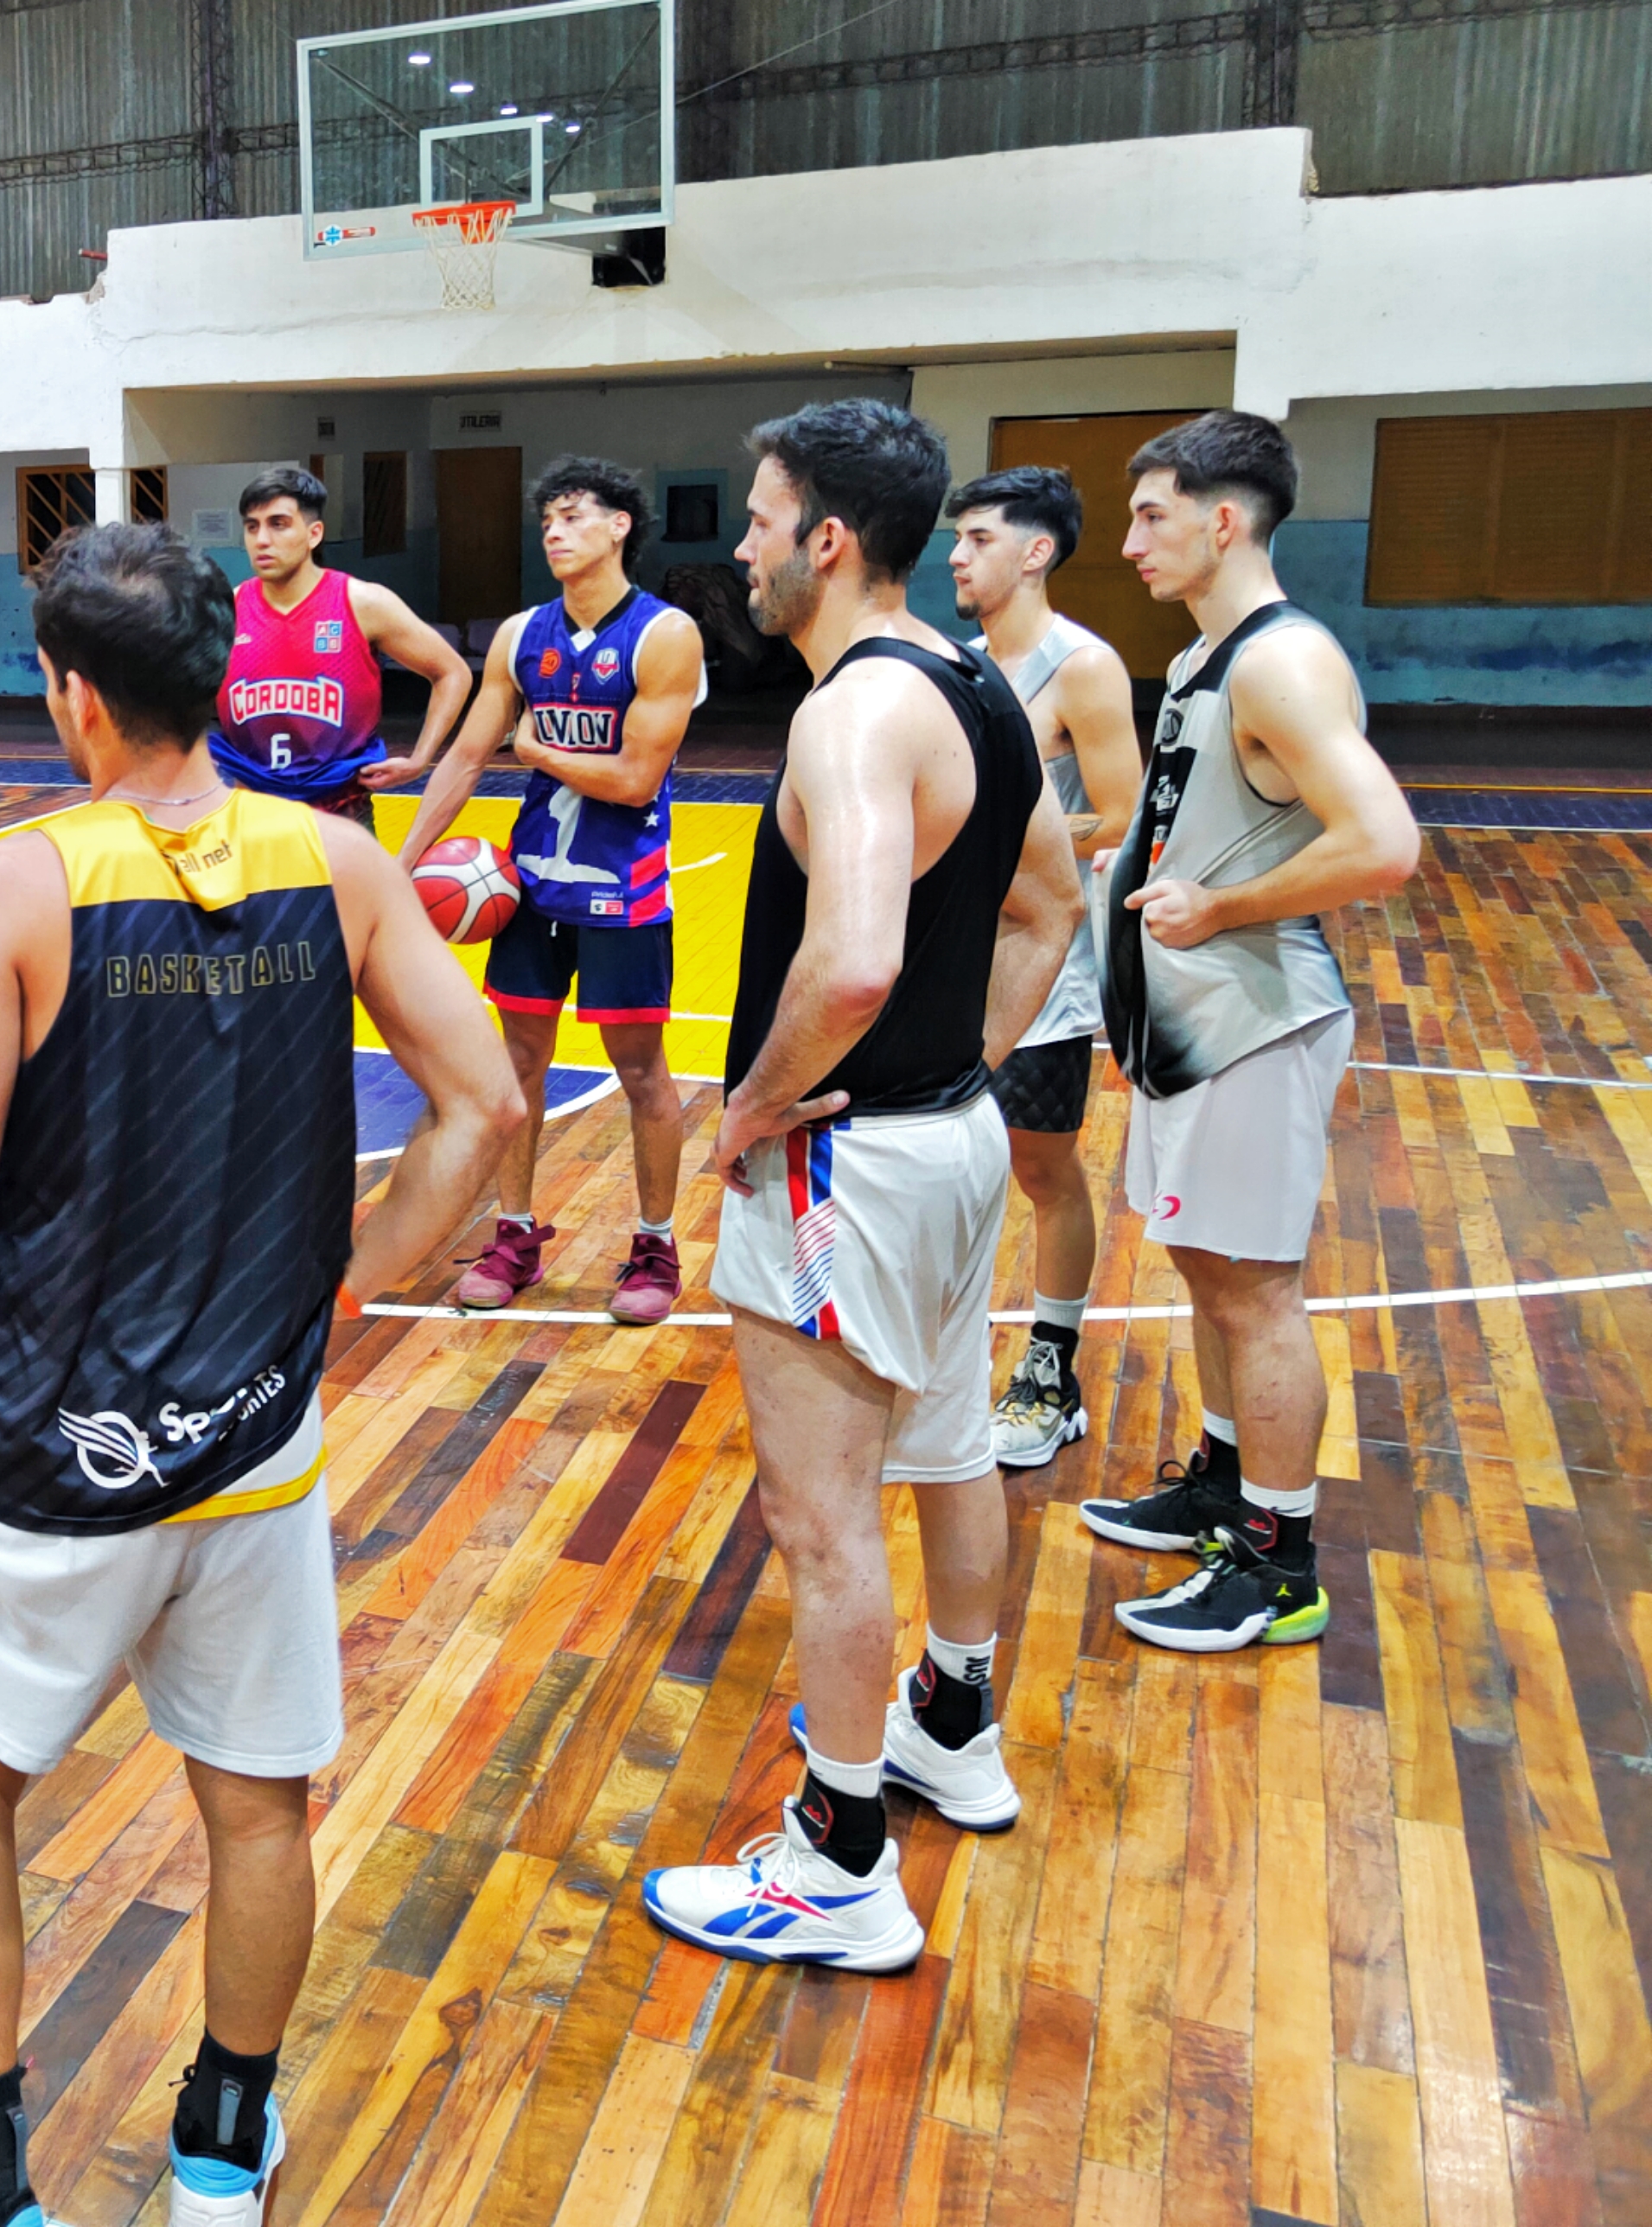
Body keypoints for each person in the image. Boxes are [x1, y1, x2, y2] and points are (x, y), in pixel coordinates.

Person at [0, 525, 519, 2227]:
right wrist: (356, 1289)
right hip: (254, 1437)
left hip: (53, 1443)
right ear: (221, 680)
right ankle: (220, 2153)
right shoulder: (337, 862)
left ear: (70, 697)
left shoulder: (19, 880)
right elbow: (488, 1110)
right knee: (255, 1811)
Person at [640, 401, 1079, 1972]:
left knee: (817, 1523)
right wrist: (948, 1063)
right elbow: (1051, 902)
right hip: (947, 1144)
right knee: (948, 1453)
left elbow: (854, 960)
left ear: (825, 538)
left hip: (848, 1163)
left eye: (758, 520)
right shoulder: (975, 689)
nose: (741, 547)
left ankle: (835, 1860)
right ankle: (951, 1725)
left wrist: (753, 1109)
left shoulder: (846, 717)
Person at [1077, 411, 1419, 1652]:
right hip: (1189, 1032)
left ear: (1221, 521)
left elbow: (1381, 846)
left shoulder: (1278, 663)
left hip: (1251, 1027)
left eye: (1148, 516)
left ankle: (1278, 1566)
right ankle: (1223, 1487)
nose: (1125, 545)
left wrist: (1219, 906)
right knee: (1206, 1273)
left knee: (1254, 1291)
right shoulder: (1201, 662)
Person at [396, 455, 707, 1325]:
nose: (554, 531)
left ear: (619, 526)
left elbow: (635, 778)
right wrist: (400, 866)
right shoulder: (519, 634)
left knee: (641, 1069)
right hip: (532, 886)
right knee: (518, 1063)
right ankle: (515, 1232)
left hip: (625, 887)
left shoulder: (664, 634)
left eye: (573, 515)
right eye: (546, 520)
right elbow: (463, 755)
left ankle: (653, 1242)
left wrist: (533, 753)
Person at [941, 469, 1142, 1466]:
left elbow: (1124, 813)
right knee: (944, 1159)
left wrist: (994, 839)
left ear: (1035, 551)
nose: (955, 556)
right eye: (954, 539)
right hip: (946, 961)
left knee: (1040, 1164)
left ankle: (1050, 1369)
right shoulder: (955, 663)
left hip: (1045, 966)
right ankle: (937, 1362)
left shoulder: (1083, 668)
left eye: (977, 538)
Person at [206, 464, 473, 828]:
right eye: (252, 526)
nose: (262, 539)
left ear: (314, 534)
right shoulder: (230, 610)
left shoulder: (362, 603)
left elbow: (452, 672)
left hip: (342, 816)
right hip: (252, 819)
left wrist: (420, 759)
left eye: (278, 524)